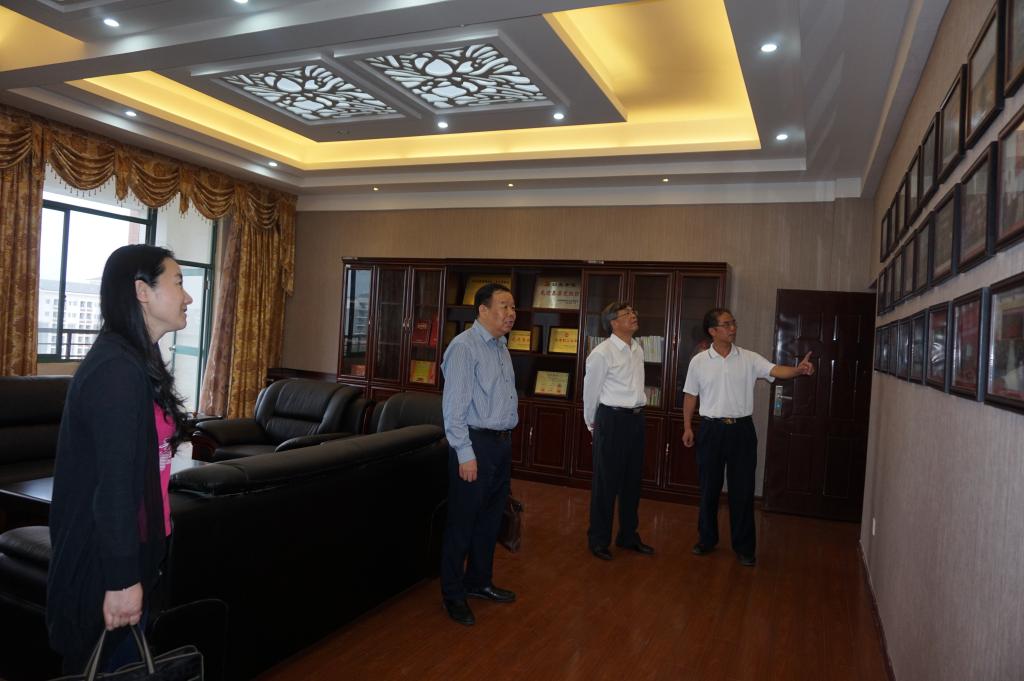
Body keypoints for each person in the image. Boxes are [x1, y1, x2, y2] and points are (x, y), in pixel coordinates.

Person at [47, 245, 193, 673]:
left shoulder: (138, 361)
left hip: (136, 555)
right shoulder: (116, 370)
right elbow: (113, 488)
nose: (187, 297)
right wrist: (123, 579)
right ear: (142, 292)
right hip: (102, 566)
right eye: (178, 282)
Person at [681, 308, 814, 567]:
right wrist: (687, 426)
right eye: (726, 324)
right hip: (710, 430)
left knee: (742, 490)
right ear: (712, 331)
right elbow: (690, 395)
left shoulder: (749, 358)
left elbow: (776, 370)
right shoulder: (699, 361)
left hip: (741, 431)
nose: (732, 328)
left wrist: (798, 370)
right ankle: (706, 539)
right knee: (709, 488)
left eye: (733, 323)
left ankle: (744, 547)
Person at [439, 282, 519, 625]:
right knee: (462, 522)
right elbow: (454, 408)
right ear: (483, 310)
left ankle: (479, 581)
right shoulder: (464, 347)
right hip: (475, 445)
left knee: (490, 519)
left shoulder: (501, 346)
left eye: (513, 307)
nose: (511, 313)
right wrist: (464, 453)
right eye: (504, 306)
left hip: (501, 444)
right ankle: (453, 594)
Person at [582, 302, 654, 561]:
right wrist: (592, 425)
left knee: (632, 482)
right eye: (627, 314)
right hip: (611, 419)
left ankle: (628, 536)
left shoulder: (637, 349)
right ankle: (598, 540)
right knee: (606, 483)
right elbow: (590, 392)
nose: (634, 316)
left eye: (634, 312)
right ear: (613, 323)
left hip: (635, 419)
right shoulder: (602, 353)